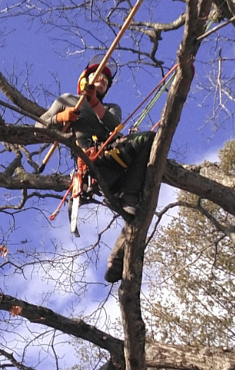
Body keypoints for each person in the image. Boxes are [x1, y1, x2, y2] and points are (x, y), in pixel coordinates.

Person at [39, 57, 155, 283]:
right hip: (93, 160)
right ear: (84, 80)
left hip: (113, 158)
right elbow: (36, 128)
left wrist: (94, 103)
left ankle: (117, 260)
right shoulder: (67, 100)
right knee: (148, 140)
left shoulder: (110, 108)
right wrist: (59, 117)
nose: (102, 80)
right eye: (98, 76)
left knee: (141, 209)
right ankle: (129, 197)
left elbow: (114, 126)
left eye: (106, 79)